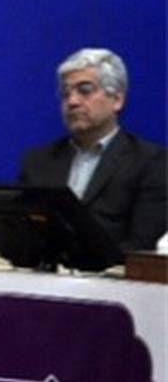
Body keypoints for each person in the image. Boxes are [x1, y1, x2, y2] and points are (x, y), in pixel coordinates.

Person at [18, 48, 166, 251]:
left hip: (114, 270)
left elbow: (143, 247)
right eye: (65, 93)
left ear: (117, 99)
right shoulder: (37, 162)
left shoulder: (151, 162)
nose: (72, 101)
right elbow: (21, 234)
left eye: (85, 90)